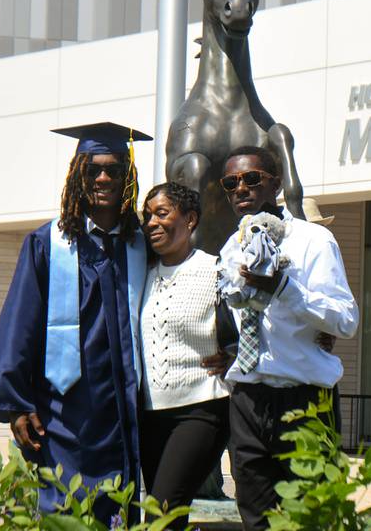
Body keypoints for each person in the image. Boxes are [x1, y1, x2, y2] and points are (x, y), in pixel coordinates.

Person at [0, 122, 152, 523]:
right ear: (77, 175)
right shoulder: (48, 243)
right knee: (63, 512)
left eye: (114, 169)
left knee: (123, 509)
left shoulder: (143, 245)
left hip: (129, 413)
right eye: (92, 169)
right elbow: (20, 325)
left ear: (128, 177)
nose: (103, 177)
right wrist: (17, 406)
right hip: (66, 416)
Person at [218, 146, 359, 531]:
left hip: (305, 399)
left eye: (251, 179)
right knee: (255, 517)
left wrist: (284, 288)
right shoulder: (231, 248)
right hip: (247, 398)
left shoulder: (313, 240)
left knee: (312, 518)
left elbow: (346, 320)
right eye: (231, 183)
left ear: (276, 183)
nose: (240, 189)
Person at [138, 182, 233, 527]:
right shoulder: (140, 274)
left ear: (190, 219)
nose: (151, 222)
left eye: (161, 213)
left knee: (161, 511)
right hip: (150, 411)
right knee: (163, 513)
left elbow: (253, 326)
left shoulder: (217, 270)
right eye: (147, 215)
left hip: (201, 408)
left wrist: (234, 355)